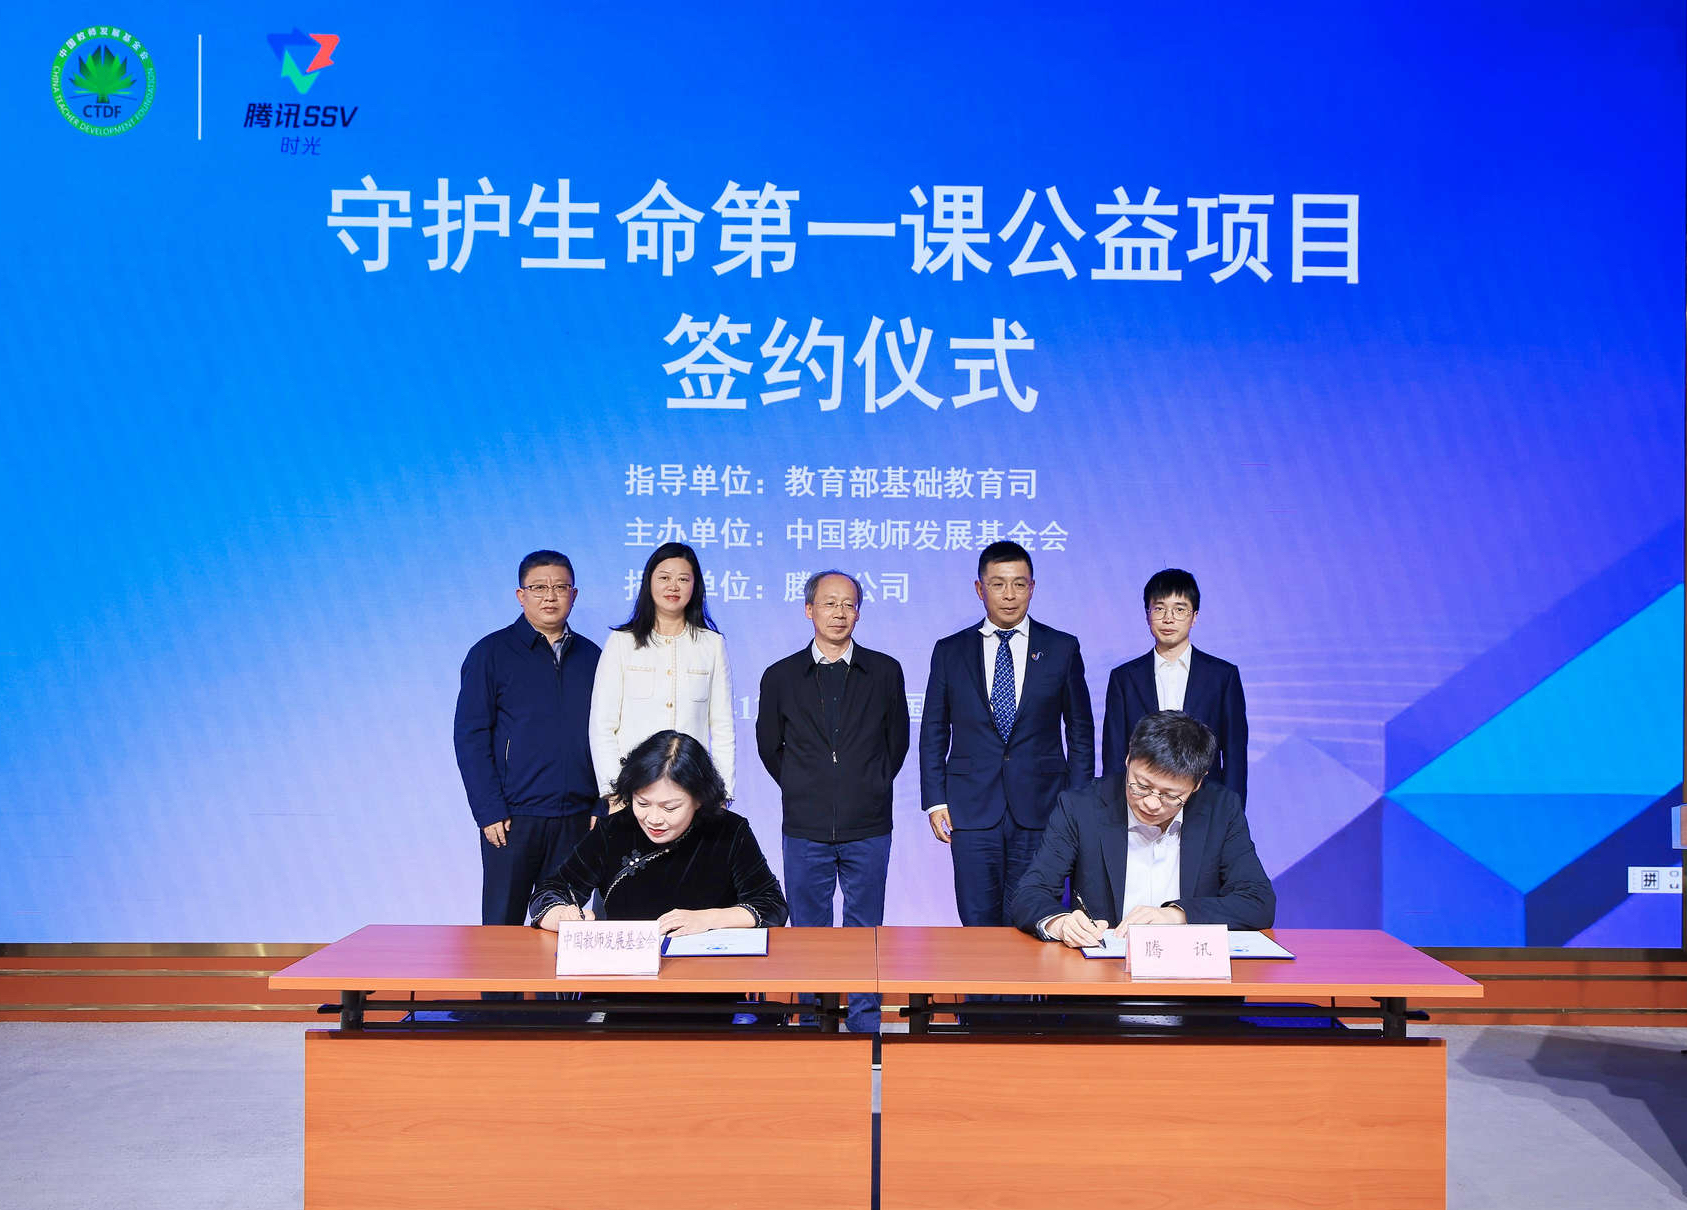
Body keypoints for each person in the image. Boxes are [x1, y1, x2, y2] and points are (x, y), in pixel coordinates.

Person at [756, 570, 910, 1033]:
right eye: (829, 603)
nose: (839, 613)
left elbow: (897, 742)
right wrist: (803, 786)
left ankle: (864, 1022)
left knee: (865, 930)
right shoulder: (781, 675)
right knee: (808, 930)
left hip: (869, 824)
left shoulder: (884, 671)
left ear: (858, 613)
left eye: (849, 604)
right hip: (805, 825)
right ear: (809, 610)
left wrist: (870, 784)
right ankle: (812, 1020)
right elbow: (769, 746)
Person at [919, 540, 1095, 927]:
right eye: (998, 584)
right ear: (980, 589)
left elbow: (1080, 732)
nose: (1009, 595)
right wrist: (934, 800)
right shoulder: (950, 650)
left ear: (1032, 587)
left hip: (1043, 807)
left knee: (1034, 917)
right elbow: (933, 729)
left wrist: (1078, 803)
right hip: (970, 808)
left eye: (1019, 584)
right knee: (977, 921)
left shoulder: (1062, 647)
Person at [1013, 710, 1274, 945]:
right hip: (1103, 971)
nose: (1151, 803)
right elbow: (1031, 892)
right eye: (1141, 785)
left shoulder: (1221, 809)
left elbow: (1258, 902)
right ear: (1129, 758)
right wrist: (1060, 923)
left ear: (1197, 784)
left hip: (1191, 969)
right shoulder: (1080, 807)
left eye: (1170, 795)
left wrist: (1176, 915)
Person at [453, 551, 602, 931]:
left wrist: (601, 805)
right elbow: (470, 736)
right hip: (512, 818)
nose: (550, 596)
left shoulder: (593, 657)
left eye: (560, 587)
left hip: (576, 819)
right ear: (521, 595)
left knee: (566, 926)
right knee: (501, 926)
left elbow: (609, 734)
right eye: (538, 587)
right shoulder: (491, 653)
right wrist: (488, 810)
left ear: (574, 595)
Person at [530, 730, 787, 934]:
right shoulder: (613, 830)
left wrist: (707, 919)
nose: (654, 819)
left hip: (710, 973)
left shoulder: (730, 831)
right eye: (642, 803)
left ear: (699, 798)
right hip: (626, 974)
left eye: (670, 807)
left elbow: (772, 905)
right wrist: (562, 916)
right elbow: (549, 893)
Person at [589, 542, 734, 805]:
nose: (673, 586)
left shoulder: (711, 644)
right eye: (664, 578)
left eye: (683, 579)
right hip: (633, 788)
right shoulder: (622, 642)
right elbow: (602, 725)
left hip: (691, 788)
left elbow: (723, 727)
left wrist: (722, 794)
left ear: (695, 586)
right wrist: (614, 792)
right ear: (649, 582)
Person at [1102, 568, 1248, 803]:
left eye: (1179, 610)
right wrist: (1113, 809)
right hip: (1142, 803)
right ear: (1147, 615)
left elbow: (1235, 754)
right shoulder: (1124, 678)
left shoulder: (1222, 676)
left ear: (1195, 616)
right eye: (1159, 609)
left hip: (1206, 803)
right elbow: (1114, 753)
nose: (1168, 618)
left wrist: (1232, 812)